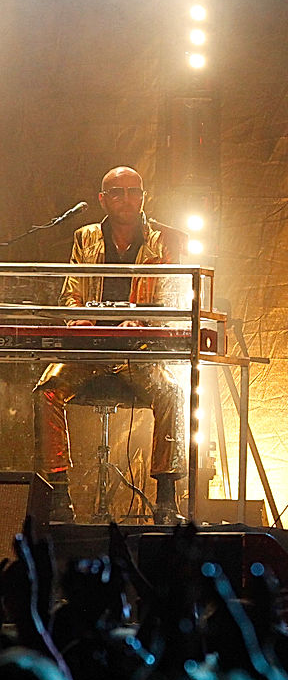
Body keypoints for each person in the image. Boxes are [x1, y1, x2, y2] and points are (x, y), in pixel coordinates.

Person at [34, 165, 186, 524]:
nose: (127, 199)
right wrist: (77, 319)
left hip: (139, 350)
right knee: (46, 391)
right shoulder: (86, 237)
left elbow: (171, 295)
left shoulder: (164, 239)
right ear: (103, 199)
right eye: (117, 192)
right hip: (90, 349)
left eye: (134, 191)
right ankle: (59, 494)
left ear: (144, 196)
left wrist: (143, 320)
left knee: (172, 392)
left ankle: (166, 498)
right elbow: (71, 291)